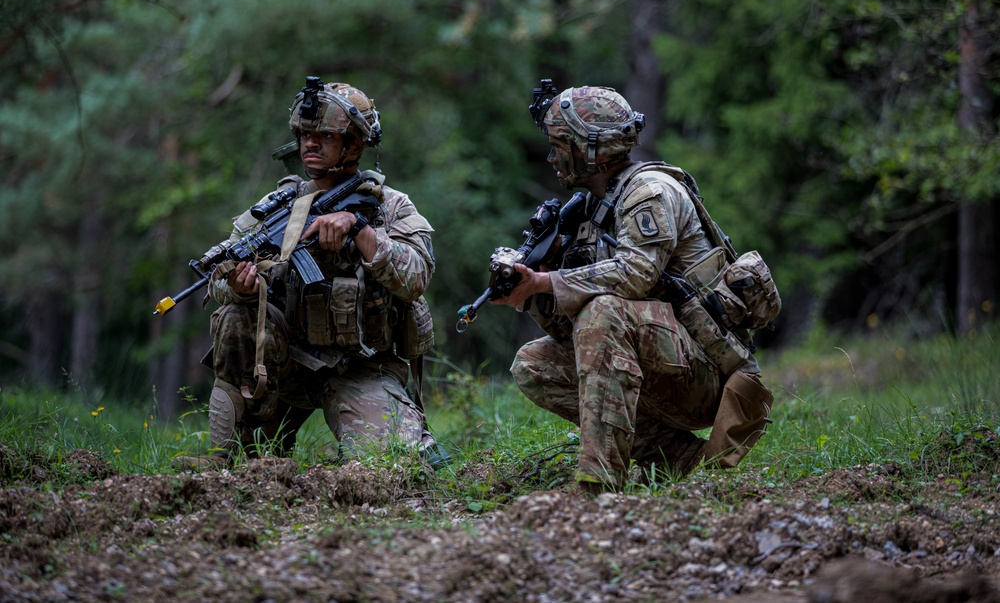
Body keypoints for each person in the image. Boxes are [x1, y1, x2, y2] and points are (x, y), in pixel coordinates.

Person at [490, 82, 775, 494]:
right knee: (533, 364)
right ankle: (677, 458)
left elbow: (636, 274)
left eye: (558, 145)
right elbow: (577, 338)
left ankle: (598, 486)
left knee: (603, 311)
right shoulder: (591, 210)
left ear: (589, 148)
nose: (552, 157)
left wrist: (547, 281)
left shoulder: (649, 192)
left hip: (708, 375)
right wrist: (532, 291)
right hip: (661, 368)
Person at [175, 77, 449, 470]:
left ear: (354, 145)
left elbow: (417, 276)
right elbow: (222, 277)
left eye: (324, 135)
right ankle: (226, 456)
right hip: (286, 365)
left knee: (385, 466)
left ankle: (400, 436)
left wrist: (360, 230)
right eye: (304, 134)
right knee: (235, 317)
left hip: (360, 367)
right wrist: (240, 288)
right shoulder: (279, 206)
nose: (309, 143)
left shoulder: (390, 207)